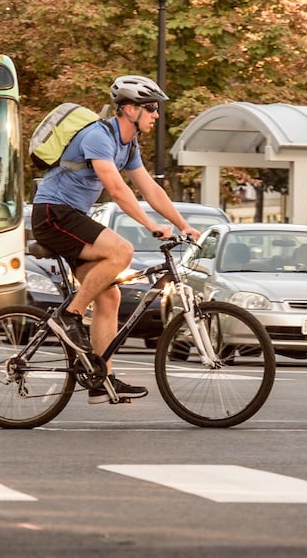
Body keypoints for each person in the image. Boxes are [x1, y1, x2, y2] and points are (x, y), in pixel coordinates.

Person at [30, 75, 201, 404]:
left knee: (110, 298)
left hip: (71, 216)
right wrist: (152, 226)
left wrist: (181, 223)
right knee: (122, 251)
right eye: (151, 108)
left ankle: (100, 380)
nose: (156, 115)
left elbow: (149, 189)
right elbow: (118, 189)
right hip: (53, 213)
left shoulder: (129, 145)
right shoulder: (99, 136)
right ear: (129, 109)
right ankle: (69, 317)